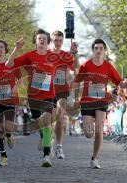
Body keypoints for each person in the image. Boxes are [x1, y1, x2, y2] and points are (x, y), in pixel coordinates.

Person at [6, 28, 58, 167]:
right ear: (35, 41)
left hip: (49, 95)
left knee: (46, 122)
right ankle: (47, 140)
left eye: (44, 38)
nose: (42, 40)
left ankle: (46, 155)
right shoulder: (29, 56)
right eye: (39, 38)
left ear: (48, 41)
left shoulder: (54, 56)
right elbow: (8, 64)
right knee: (40, 123)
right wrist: (16, 49)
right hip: (33, 95)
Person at [74, 38, 122, 169]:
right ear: (93, 51)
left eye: (101, 48)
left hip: (101, 101)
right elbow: (78, 81)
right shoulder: (86, 65)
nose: (99, 50)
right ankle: (90, 135)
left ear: (105, 51)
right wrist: (76, 99)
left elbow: (119, 81)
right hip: (87, 102)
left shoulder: (108, 66)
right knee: (89, 134)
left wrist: (124, 87)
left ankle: (95, 159)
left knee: (99, 130)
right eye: (96, 48)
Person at [50, 30, 79, 159]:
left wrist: (75, 53)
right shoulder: (46, 54)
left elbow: (76, 66)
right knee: (49, 120)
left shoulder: (66, 55)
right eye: (56, 40)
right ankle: (49, 140)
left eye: (60, 40)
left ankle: (59, 146)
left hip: (62, 89)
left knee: (60, 117)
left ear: (62, 41)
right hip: (48, 90)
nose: (58, 43)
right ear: (52, 40)